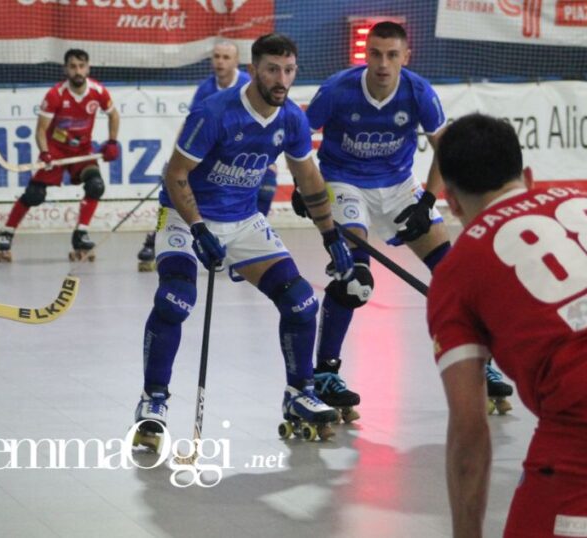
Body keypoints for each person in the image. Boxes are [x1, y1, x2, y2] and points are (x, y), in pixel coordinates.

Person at [132, 33, 354, 448]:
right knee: (174, 301)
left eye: (288, 70)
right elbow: (175, 175)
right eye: (272, 69)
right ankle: (153, 400)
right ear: (253, 70)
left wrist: (331, 235)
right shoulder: (215, 113)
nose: (281, 79)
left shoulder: (292, 119)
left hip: (243, 221)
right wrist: (198, 227)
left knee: (302, 301)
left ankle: (299, 393)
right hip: (185, 214)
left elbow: (308, 178)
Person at [296, 21, 511, 421]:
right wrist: (304, 187)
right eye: (375, 54)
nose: (382, 63)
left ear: (405, 58)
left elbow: (444, 150)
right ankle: (325, 373)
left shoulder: (418, 92)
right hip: (345, 184)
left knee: (453, 272)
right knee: (354, 279)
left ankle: (482, 361)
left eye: (392, 55)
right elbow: (297, 140)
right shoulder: (336, 90)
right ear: (365, 55)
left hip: (399, 186)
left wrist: (427, 199)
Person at [428, 113, 587, 537]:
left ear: (453, 202)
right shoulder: (580, 196)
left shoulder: (457, 272)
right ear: (529, 176)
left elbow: (469, 430)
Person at [137, 40, 278, 272]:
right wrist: (176, 159)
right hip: (210, 159)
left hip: (244, 158)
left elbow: (263, 125)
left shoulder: (248, 84)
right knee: (178, 186)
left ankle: (244, 244)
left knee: (267, 184)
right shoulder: (205, 89)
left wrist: (268, 161)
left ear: (236, 62)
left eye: (226, 57)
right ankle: (157, 239)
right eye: (217, 56)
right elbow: (190, 125)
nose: (220, 62)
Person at [0, 48, 120, 262]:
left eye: (81, 66)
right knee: (35, 195)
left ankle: (81, 233)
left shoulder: (98, 91)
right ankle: (7, 232)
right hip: (56, 150)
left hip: (83, 150)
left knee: (95, 185)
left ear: (88, 68)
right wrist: (44, 153)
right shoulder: (55, 95)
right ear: (65, 69)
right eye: (73, 66)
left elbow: (114, 115)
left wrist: (112, 141)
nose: (77, 71)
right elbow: (41, 130)